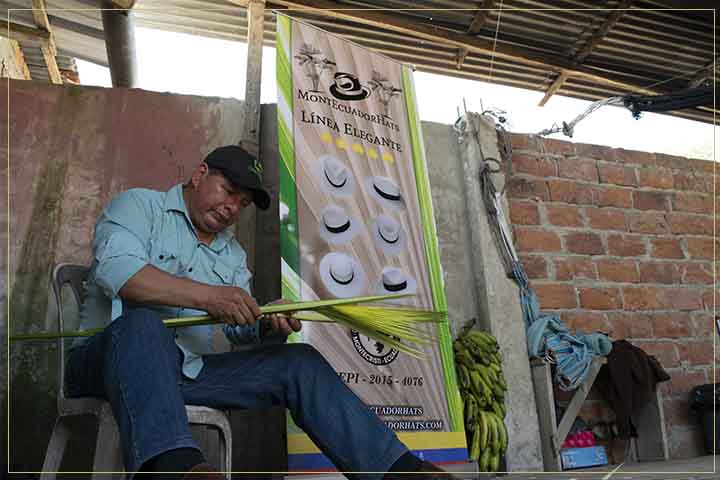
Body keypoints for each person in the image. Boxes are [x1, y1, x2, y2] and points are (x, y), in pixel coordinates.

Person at [65, 145, 453, 480]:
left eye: (243, 204)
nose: (232, 208)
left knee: (298, 362)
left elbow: (238, 331)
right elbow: (118, 272)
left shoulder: (232, 255)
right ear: (200, 175)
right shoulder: (139, 205)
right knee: (143, 325)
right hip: (108, 362)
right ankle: (175, 468)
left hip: (186, 372)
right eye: (229, 191)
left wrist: (267, 324)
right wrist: (211, 296)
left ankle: (396, 471)